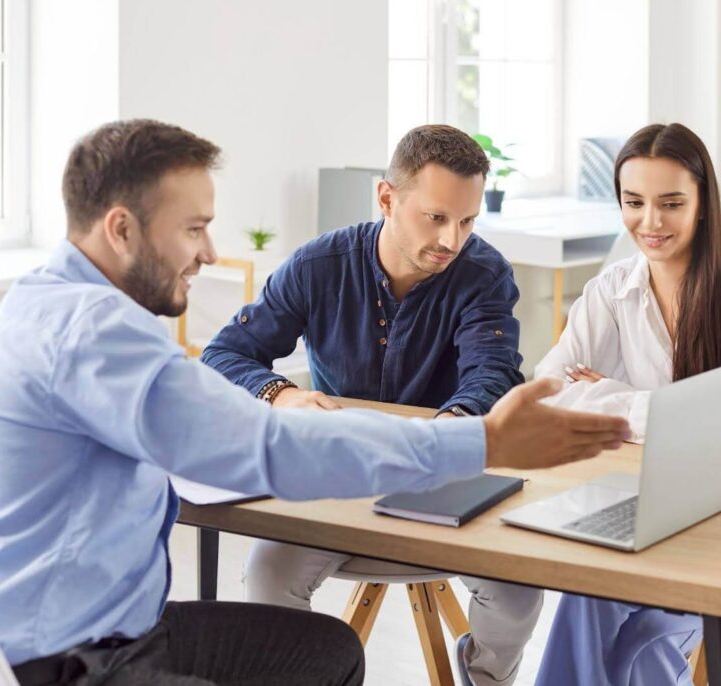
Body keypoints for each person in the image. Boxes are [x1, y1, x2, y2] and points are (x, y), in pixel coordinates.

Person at [0, 119, 630, 686]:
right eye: (194, 229)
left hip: (50, 630)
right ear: (121, 229)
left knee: (325, 652)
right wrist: (485, 443)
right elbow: (269, 443)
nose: (209, 253)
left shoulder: (53, 304)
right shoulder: (95, 335)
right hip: (66, 660)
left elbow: (484, 370)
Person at [202, 124, 538, 686]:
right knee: (265, 575)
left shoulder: (485, 275)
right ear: (387, 198)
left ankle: (486, 677)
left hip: (446, 480)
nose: (452, 240)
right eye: (436, 217)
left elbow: (492, 372)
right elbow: (225, 354)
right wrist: (281, 395)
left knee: (521, 587)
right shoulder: (317, 266)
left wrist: (451, 430)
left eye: (467, 220)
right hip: (336, 484)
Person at [532, 122, 721, 685]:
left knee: (641, 641)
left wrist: (616, 402)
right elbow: (550, 393)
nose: (651, 222)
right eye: (634, 202)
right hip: (656, 502)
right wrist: (693, 414)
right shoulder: (612, 289)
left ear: (703, 202)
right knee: (585, 593)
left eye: (671, 203)